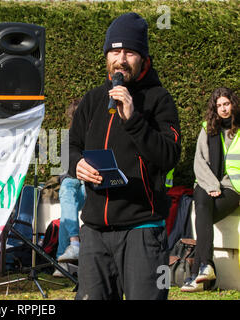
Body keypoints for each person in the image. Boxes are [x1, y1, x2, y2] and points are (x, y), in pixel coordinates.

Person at [68, 13, 181, 300]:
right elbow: (70, 147)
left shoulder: (158, 100)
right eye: (115, 51)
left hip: (143, 230)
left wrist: (134, 120)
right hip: (94, 231)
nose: (121, 59)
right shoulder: (93, 99)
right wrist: (76, 164)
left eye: (130, 52)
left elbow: (169, 155)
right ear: (107, 56)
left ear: (143, 58)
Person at [181, 87, 240, 292]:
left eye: (226, 104)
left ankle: (200, 271)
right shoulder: (208, 129)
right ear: (214, 109)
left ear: (233, 104)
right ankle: (205, 267)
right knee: (202, 199)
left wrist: (221, 186)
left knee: (203, 215)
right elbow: (199, 162)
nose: (223, 109)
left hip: (233, 187)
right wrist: (212, 185)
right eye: (219, 105)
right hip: (207, 183)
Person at [53, 99, 86, 277]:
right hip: (73, 183)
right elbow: (65, 170)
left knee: (69, 196)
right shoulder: (70, 138)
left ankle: (63, 257)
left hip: (90, 184)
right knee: (66, 190)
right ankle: (73, 245)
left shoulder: (96, 134)